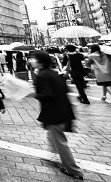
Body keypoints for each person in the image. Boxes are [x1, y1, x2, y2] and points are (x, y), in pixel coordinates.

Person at [32, 51, 84, 180]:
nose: (32, 61)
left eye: (34, 59)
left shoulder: (43, 75)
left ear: (40, 61)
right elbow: (65, 90)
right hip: (62, 111)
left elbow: (48, 95)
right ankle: (53, 156)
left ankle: (74, 170)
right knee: (52, 136)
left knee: (60, 142)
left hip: (55, 114)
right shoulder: (53, 73)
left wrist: (33, 95)